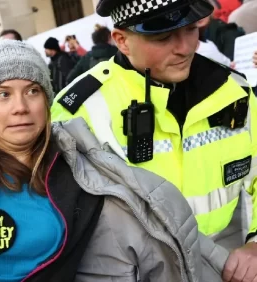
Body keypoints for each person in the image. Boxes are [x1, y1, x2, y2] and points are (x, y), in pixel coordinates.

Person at [0, 39, 230, 282]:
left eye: (33, 91)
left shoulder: (87, 169)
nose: (21, 107)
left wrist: (230, 263)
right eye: (2, 94)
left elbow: (167, 227)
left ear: (46, 100)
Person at [51, 0, 257, 279]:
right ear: (122, 40)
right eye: (163, 37)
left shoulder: (235, 91)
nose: (185, 47)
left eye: (191, 29)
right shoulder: (78, 111)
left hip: (226, 268)